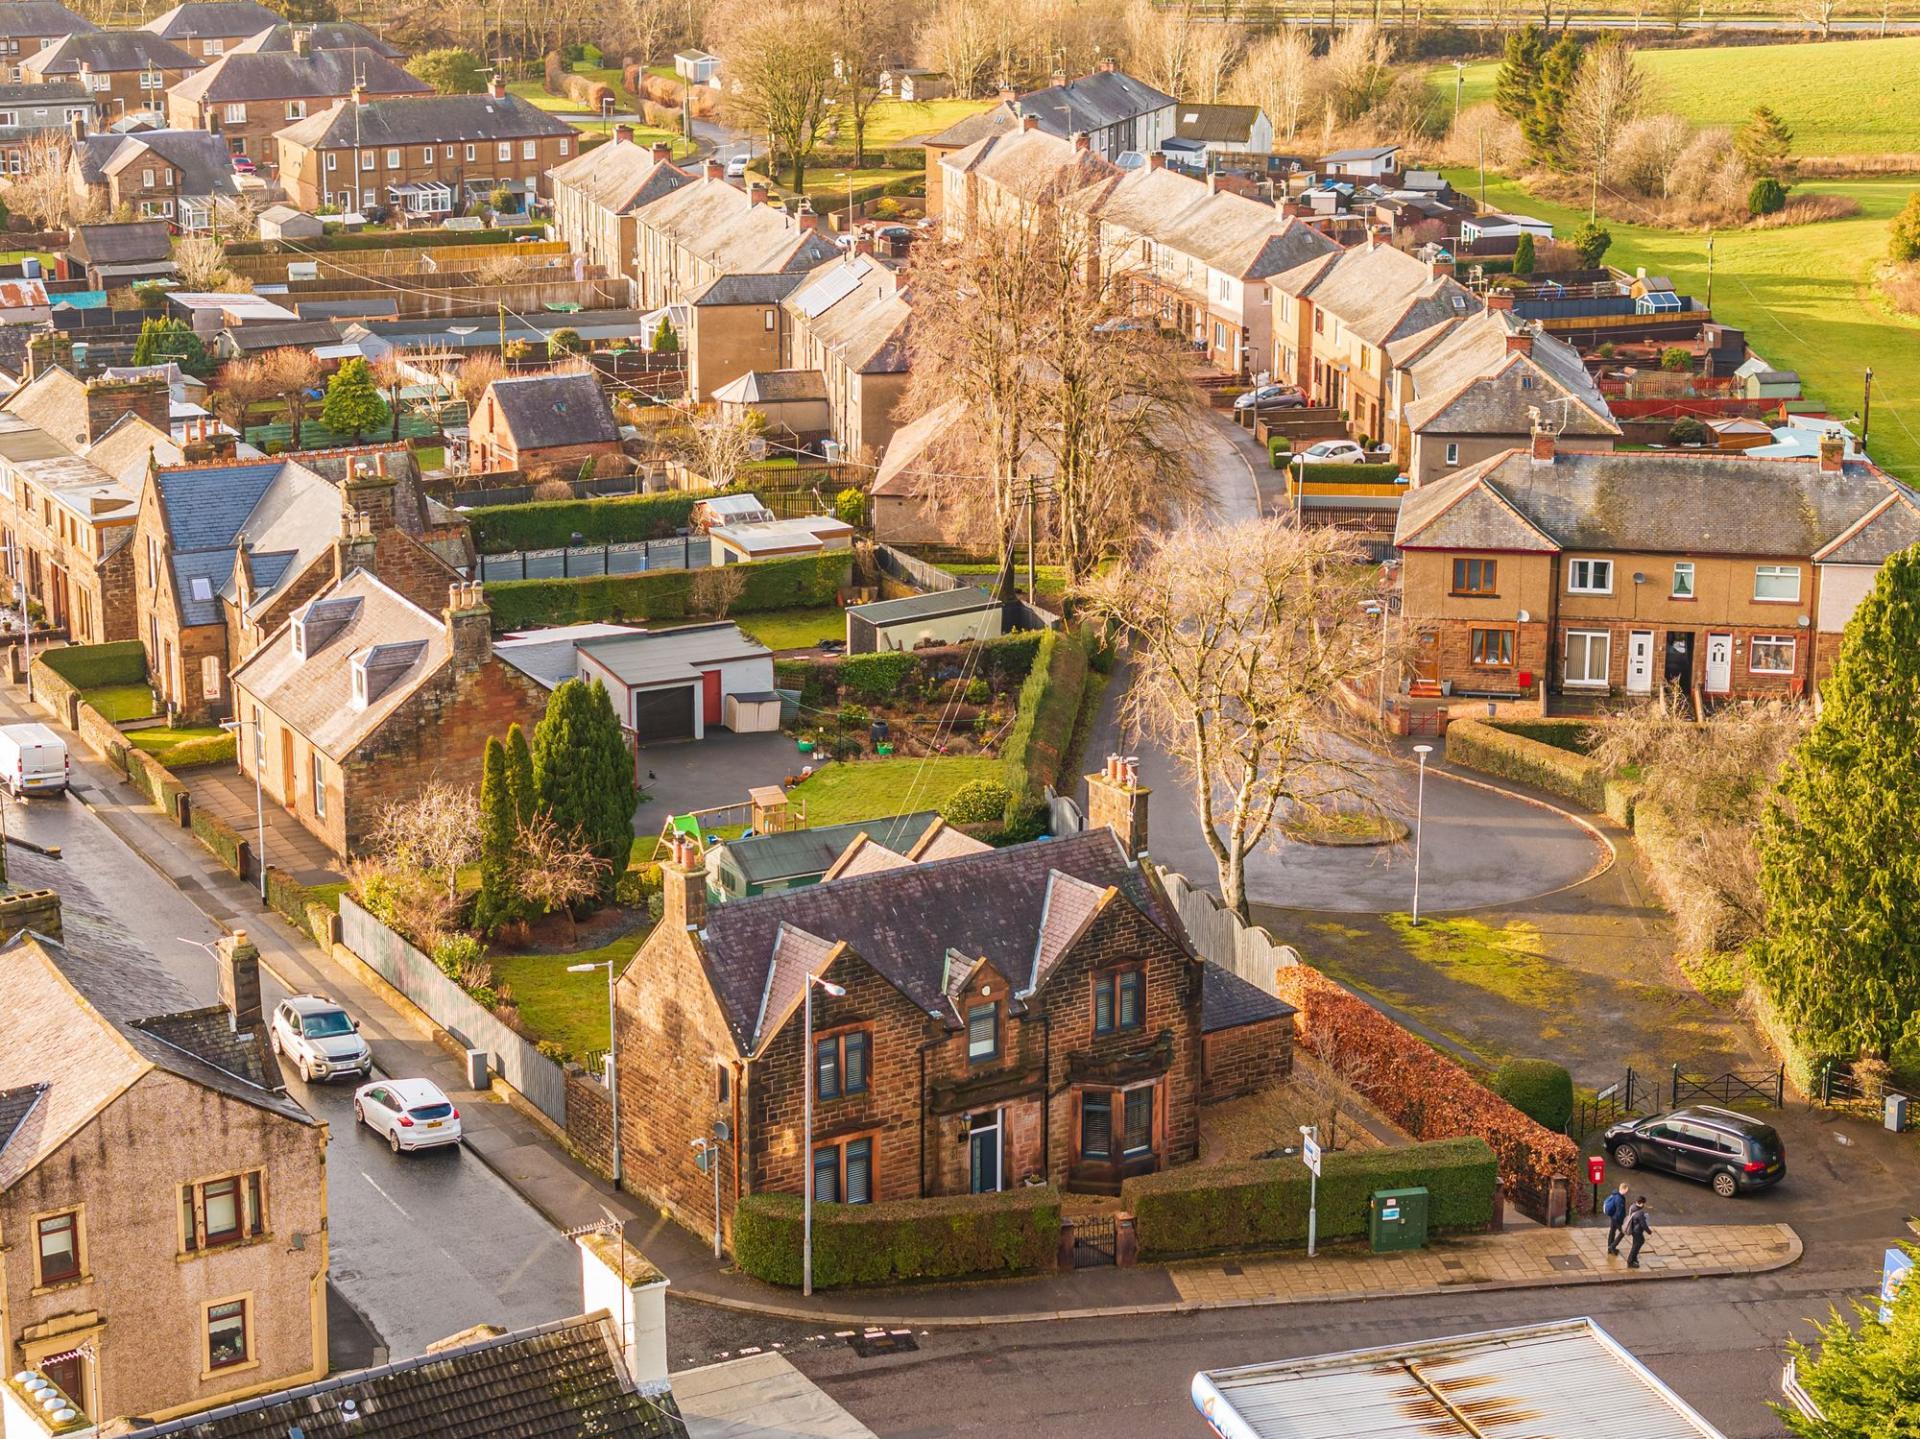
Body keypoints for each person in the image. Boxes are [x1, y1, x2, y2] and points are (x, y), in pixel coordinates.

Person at [1603, 1181, 1630, 1254]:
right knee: (1623, 1232)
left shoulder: (1615, 1194)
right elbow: (1620, 1212)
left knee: (1612, 1232)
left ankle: (1609, 1248)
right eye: (1626, 1190)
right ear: (1624, 1189)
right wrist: (1623, 1222)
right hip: (1617, 1219)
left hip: (1612, 1217)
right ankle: (1612, 1246)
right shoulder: (1620, 1199)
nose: (1627, 1192)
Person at [1625, 1197, 1652, 1269]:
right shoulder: (1640, 1213)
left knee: (1637, 1243)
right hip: (1637, 1231)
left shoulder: (1632, 1206)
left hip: (1633, 1229)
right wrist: (1649, 1231)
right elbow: (1643, 1224)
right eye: (1644, 1203)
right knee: (1636, 1245)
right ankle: (1630, 1261)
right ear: (1642, 1203)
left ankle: (1634, 1258)